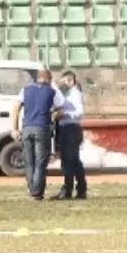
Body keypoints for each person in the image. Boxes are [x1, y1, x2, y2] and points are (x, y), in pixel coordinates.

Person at [11, 68, 64, 201]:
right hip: (42, 127)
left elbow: (16, 107)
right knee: (40, 162)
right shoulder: (52, 92)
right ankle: (37, 192)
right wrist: (54, 115)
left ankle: (31, 188)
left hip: (27, 127)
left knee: (29, 161)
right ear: (47, 79)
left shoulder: (26, 90)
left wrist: (15, 128)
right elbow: (60, 110)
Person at [53, 71, 87, 201]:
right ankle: (73, 189)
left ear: (71, 81)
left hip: (71, 128)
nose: (62, 84)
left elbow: (79, 112)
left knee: (72, 161)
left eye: (64, 82)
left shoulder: (75, 94)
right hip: (64, 128)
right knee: (69, 161)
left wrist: (64, 114)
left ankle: (74, 190)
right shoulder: (65, 94)